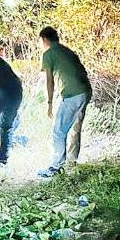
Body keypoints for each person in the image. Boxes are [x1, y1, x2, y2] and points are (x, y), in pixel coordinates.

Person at [37, 26, 92, 178]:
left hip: (73, 95)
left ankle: (56, 167)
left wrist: (49, 103)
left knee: (59, 131)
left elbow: (49, 80)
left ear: (45, 39)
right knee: (75, 129)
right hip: (85, 91)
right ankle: (72, 163)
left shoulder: (49, 54)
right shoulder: (67, 51)